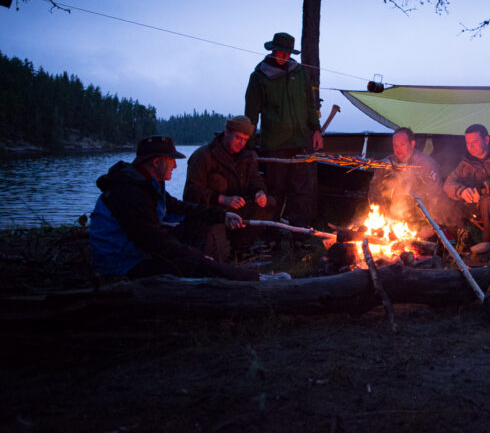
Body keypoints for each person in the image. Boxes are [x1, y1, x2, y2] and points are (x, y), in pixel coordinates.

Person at [89, 135, 259, 281]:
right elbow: (154, 241)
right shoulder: (130, 192)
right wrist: (196, 257)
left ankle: (224, 268)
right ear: (156, 162)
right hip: (122, 264)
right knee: (191, 264)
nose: (175, 166)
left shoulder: (148, 184)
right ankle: (256, 281)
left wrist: (222, 215)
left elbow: (179, 208)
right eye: (171, 160)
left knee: (198, 226)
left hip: (139, 252)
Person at [245, 31, 322, 243]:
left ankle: (299, 234)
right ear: (272, 50)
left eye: (288, 52)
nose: (284, 56)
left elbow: (309, 104)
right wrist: (249, 146)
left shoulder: (299, 73)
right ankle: (272, 234)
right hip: (274, 144)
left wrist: (316, 130)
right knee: (275, 190)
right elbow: (251, 114)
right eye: (280, 51)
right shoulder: (259, 77)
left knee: (301, 190)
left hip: (301, 142)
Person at [183, 115, 277, 258]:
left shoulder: (248, 156)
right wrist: (222, 199)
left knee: (268, 203)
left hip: (237, 210)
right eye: (238, 138)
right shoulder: (203, 156)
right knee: (217, 255)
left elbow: (256, 180)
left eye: (245, 140)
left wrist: (259, 192)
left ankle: (241, 249)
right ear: (227, 132)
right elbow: (191, 192)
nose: (241, 143)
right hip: (211, 214)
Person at [368, 127, 457, 226]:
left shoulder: (427, 165)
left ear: (412, 144)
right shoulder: (385, 164)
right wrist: (378, 209)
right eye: (395, 145)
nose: (398, 149)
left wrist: (430, 227)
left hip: (419, 222)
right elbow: (374, 190)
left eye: (402, 145)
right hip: (391, 221)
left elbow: (436, 198)